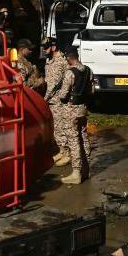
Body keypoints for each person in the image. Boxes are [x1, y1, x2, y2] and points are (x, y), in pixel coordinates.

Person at [56, 48, 92, 184]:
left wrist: (59, 96)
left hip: (71, 109)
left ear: (69, 58)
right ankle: (86, 169)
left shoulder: (70, 73)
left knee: (73, 140)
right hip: (83, 108)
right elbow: (91, 90)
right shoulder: (88, 70)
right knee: (83, 137)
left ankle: (76, 172)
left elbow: (63, 94)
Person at [43, 38, 71, 166]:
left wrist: (44, 99)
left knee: (60, 127)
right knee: (56, 127)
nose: (44, 49)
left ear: (54, 47)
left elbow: (53, 85)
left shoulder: (59, 61)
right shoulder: (50, 60)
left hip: (57, 100)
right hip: (53, 100)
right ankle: (62, 150)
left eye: (46, 47)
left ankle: (67, 153)